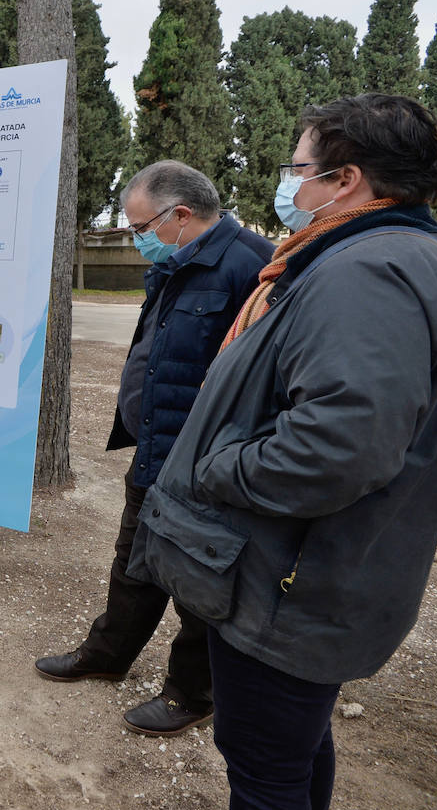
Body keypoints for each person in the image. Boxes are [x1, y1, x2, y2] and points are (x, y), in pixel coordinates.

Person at [128, 94, 437, 810]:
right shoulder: (390, 255)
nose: (292, 184)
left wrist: (219, 468)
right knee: (291, 752)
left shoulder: (366, 271)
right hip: (311, 574)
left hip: (287, 587)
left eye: (299, 167)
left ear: (345, 179)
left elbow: (339, 446)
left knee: (264, 771)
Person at [34, 161, 273, 736]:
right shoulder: (177, 263)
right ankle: (107, 656)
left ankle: (193, 691)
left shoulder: (254, 266)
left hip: (205, 464)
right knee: (134, 563)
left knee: (197, 583)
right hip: (156, 451)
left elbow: (267, 382)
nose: (137, 238)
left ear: (180, 215)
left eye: (141, 226)